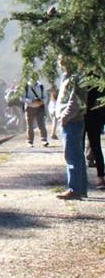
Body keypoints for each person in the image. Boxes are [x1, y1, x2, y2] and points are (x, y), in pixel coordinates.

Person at [55, 56, 87, 199]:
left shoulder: (75, 78)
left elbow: (76, 100)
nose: (60, 64)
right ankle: (80, 189)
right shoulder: (70, 77)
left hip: (72, 121)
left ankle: (74, 189)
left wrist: (65, 117)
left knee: (72, 156)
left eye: (62, 62)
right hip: (73, 120)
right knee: (77, 156)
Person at [84, 86, 105, 190]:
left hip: (88, 117)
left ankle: (100, 177)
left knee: (94, 147)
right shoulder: (98, 80)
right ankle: (101, 177)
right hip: (93, 117)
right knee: (96, 147)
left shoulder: (82, 79)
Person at [23, 80, 48, 147]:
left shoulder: (41, 86)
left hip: (39, 107)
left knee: (41, 124)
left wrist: (42, 101)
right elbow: (22, 98)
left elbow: (45, 97)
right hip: (29, 107)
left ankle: (44, 140)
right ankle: (30, 141)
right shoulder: (25, 86)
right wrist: (31, 101)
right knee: (29, 125)